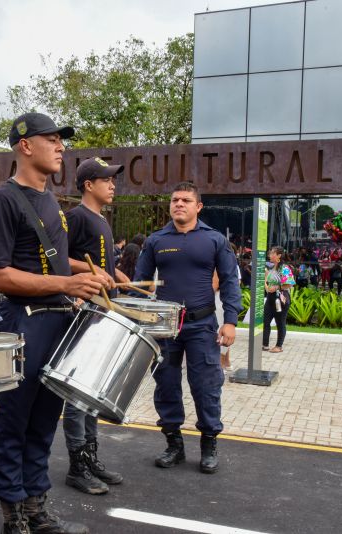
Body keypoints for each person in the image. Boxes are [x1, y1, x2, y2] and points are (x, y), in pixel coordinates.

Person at [0, 112, 107, 534]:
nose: (61, 147)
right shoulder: (2, 200)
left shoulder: (51, 202)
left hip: (56, 322)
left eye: (61, 140)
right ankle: (11, 509)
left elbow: (47, 260)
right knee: (13, 420)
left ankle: (36, 501)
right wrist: (66, 281)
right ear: (25, 145)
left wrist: (86, 275)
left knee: (44, 420)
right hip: (20, 322)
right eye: (51, 139)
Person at [134, 181, 241, 474]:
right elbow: (140, 284)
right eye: (174, 200)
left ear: (198, 206)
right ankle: (174, 445)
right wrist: (136, 317)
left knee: (206, 386)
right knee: (166, 384)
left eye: (185, 200)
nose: (178, 204)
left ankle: (208, 445)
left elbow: (231, 281)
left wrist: (230, 320)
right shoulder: (155, 240)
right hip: (164, 328)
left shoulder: (215, 240)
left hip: (202, 325)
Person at [61, 157, 127, 496]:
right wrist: (88, 274)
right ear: (89, 184)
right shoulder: (75, 217)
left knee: (92, 391)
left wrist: (118, 277)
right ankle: (77, 464)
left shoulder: (101, 219)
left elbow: (103, 264)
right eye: (107, 180)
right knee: (77, 392)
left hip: (100, 310)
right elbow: (57, 258)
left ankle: (90, 456)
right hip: (80, 310)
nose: (113, 185)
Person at [262, 246, 295, 353]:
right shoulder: (272, 268)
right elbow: (268, 282)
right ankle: (265, 345)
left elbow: (289, 284)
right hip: (270, 298)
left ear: (279, 256)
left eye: (272, 253)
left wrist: (276, 287)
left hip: (281, 298)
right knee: (266, 321)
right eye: (270, 253)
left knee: (280, 322)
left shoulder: (284, 268)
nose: (270, 255)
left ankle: (278, 346)